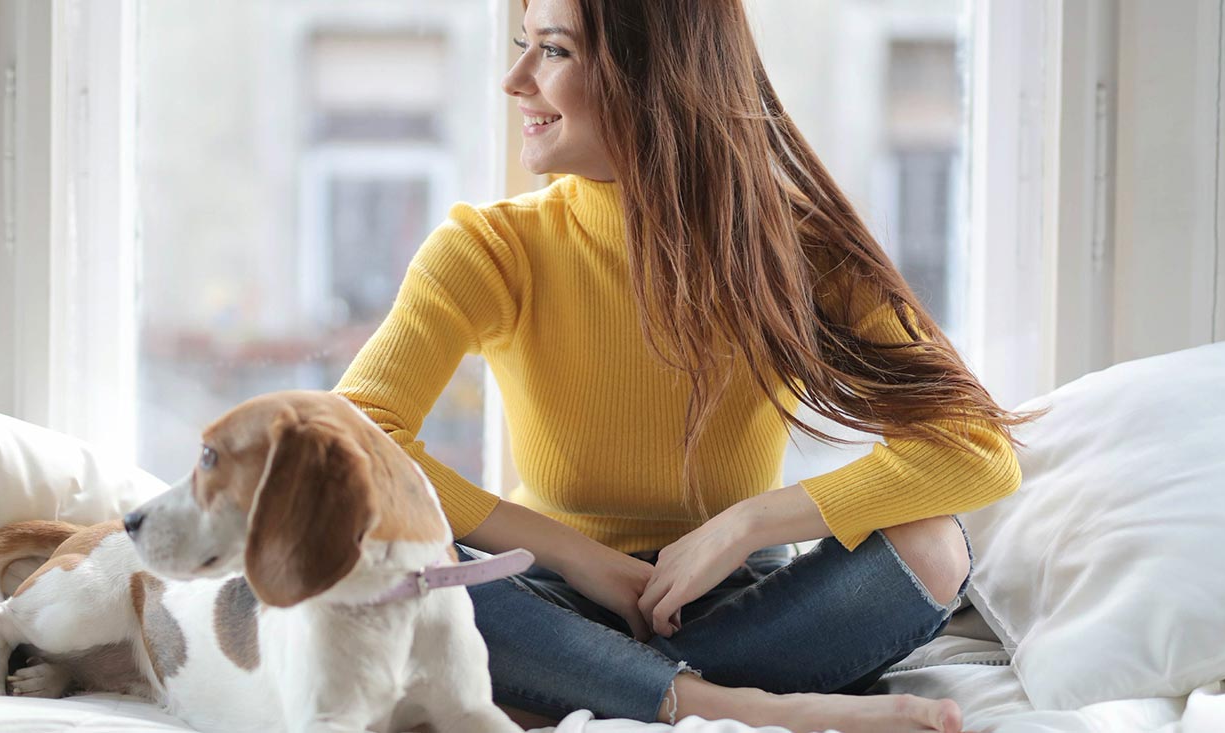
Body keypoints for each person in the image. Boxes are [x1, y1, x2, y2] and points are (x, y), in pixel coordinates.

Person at [332, 1, 1043, 731]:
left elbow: (976, 451)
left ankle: (573, 685)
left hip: (743, 604)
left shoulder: (795, 247)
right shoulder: (491, 248)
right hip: (548, 595)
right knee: (368, 568)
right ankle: (716, 705)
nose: (514, 79)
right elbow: (351, 439)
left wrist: (741, 527)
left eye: (553, 51)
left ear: (652, 75)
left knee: (932, 544)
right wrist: (580, 558)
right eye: (524, 46)